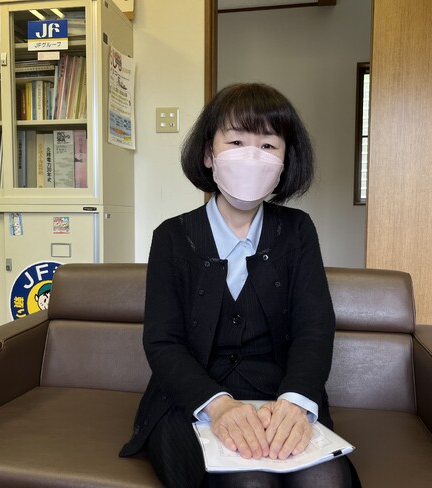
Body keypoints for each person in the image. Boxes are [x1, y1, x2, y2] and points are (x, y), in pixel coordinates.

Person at [120, 83, 358, 488]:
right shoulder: (172, 237)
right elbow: (162, 342)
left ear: (284, 161)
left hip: (281, 399)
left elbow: (314, 329)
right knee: (250, 481)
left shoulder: (297, 231)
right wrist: (219, 406)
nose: (252, 156)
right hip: (194, 403)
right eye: (236, 142)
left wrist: (295, 402)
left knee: (325, 480)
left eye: (268, 145)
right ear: (208, 155)